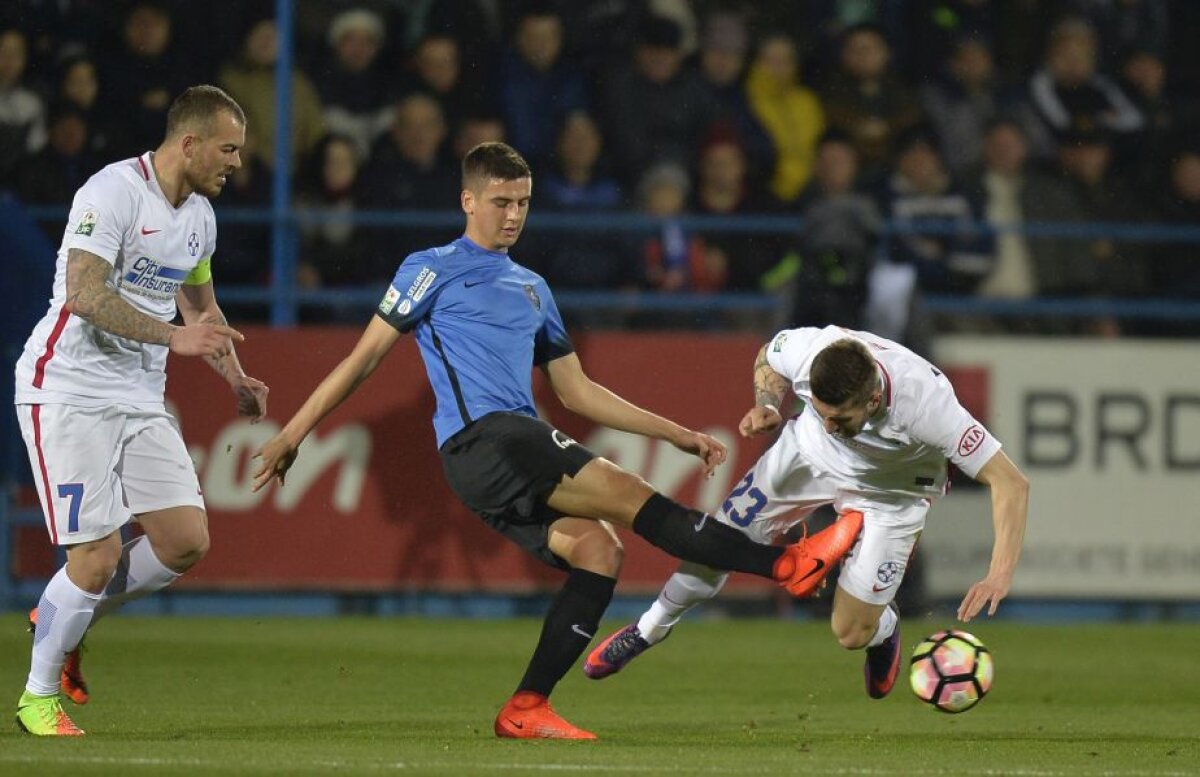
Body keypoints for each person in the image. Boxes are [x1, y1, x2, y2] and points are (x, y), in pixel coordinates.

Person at [251, 142, 863, 741]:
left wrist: (673, 432)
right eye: (500, 201)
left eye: (522, 202)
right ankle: (786, 563)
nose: (513, 214)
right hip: (484, 439)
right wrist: (292, 432)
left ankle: (526, 706)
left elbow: (576, 391)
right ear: (467, 200)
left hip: (510, 448)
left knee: (600, 553)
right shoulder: (430, 268)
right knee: (630, 494)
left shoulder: (534, 289)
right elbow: (362, 360)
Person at [12, 85, 269, 736]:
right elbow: (83, 292)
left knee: (185, 541)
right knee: (93, 558)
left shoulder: (200, 218)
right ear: (189, 143)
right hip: (68, 388)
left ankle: (66, 611)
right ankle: (38, 698)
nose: (237, 162)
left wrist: (235, 377)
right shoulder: (112, 192)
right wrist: (173, 337)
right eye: (228, 148)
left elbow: (200, 310)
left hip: (138, 396)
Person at [584, 327, 1029, 703]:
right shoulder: (812, 350)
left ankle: (883, 627)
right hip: (805, 458)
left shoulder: (927, 405)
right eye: (821, 411)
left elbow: (1010, 481)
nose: (831, 424)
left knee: (850, 632)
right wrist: (771, 404)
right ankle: (649, 629)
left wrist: (999, 573)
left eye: (841, 418)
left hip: (893, 494)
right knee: (718, 541)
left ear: (874, 400)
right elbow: (768, 358)